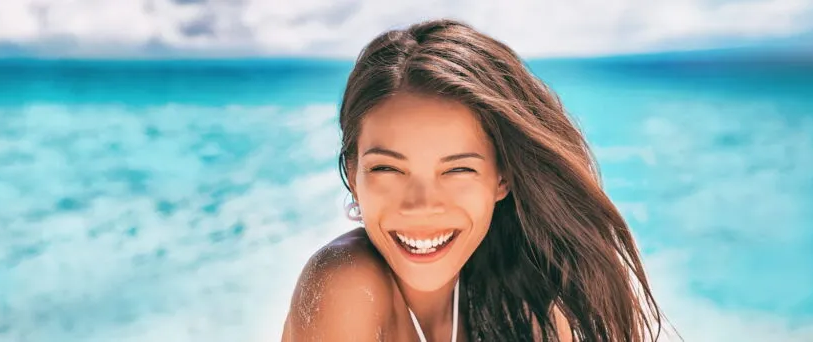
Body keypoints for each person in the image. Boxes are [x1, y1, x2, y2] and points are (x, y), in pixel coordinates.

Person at [280, 18, 667, 342]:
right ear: (353, 174)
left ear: (502, 178)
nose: (422, 204)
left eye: (458, 169)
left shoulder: (523, 294)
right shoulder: (345, 285)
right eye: (388, 169)